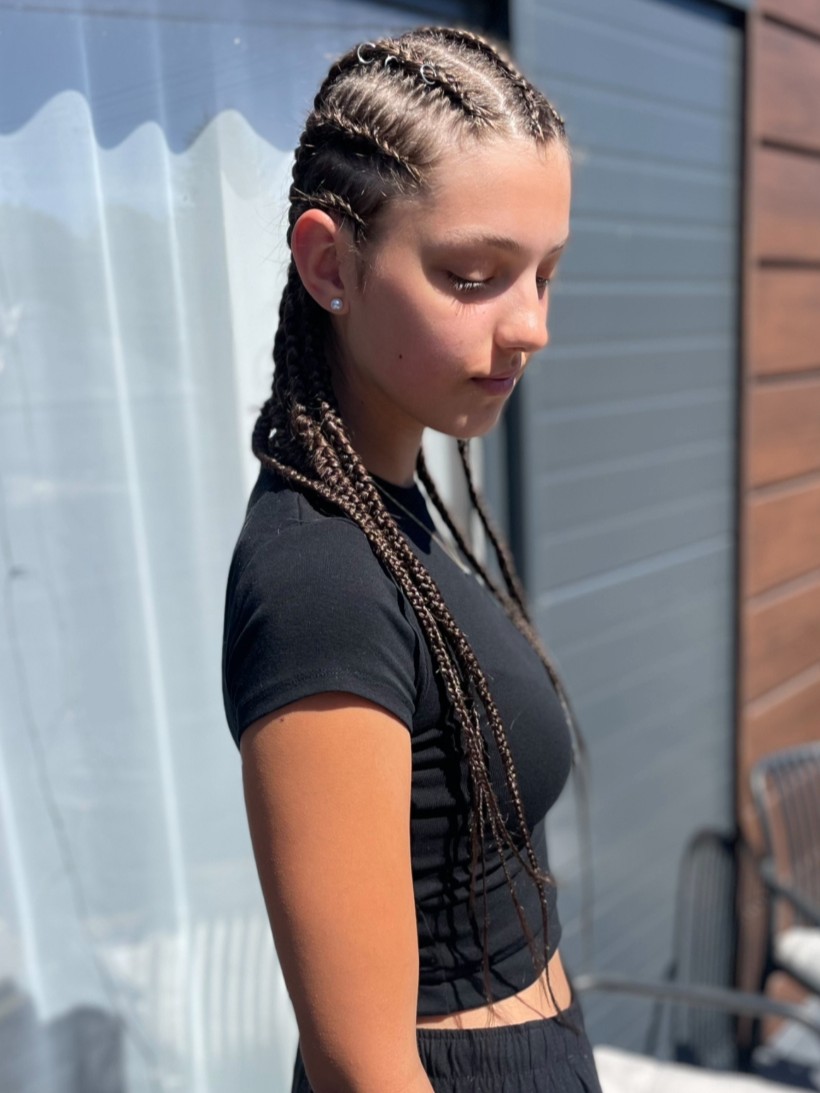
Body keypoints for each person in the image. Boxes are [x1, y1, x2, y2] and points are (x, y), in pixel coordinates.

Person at [222, 25, 603, 1093]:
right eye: (474, 276)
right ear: (328, 264)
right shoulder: (321, 586)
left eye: (545, 274)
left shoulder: (383, 508)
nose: (530, 327)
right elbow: (362, 1069)